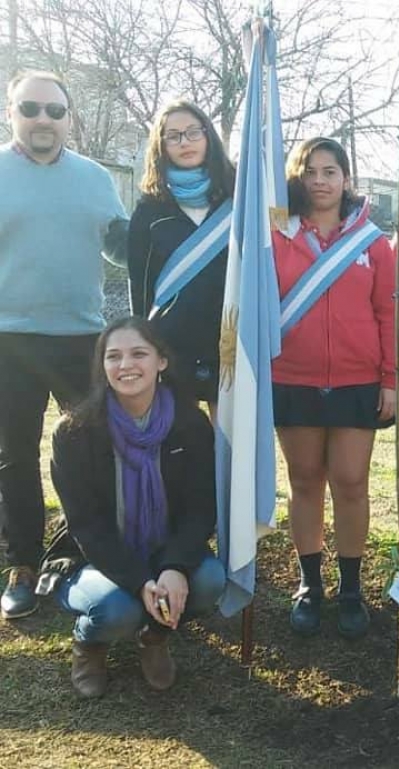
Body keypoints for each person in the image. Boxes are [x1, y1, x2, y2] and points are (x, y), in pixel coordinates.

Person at [0, 70, 128, 620]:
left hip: (81, 339)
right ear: (12, 112)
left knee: (94, 452)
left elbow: (125, 252)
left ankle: (87, 553)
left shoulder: (97, 178)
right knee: (16, 457)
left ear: (70, 117)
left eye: (55, 110)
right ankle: (23, 563)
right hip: (10, 340)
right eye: (31, 108)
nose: (43, 120)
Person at [42, 317, 225, 698]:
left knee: (209, 581)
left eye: (138, 353)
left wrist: (174, 567)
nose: (126, 365)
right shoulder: (74, 432)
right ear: (102, 366)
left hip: (163, 549)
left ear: (161, 361)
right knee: (116, 608)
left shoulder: (190, 423)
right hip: (92, 558)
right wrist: (141, 582)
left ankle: (154, 637)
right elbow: (87, 526)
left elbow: (200, 508)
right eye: (114, 357)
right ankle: (89, 644)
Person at [272, 137, 396, 639]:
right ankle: (309, 584)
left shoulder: (373, 242)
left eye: (331, 171)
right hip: (293, 378)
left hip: (355, 381)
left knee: (350, 481)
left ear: (347, 178)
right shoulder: (275, 236)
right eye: (311, 171)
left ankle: (350, 587)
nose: (320, 181)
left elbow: (389, 313)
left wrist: (389, 380)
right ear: (297, 178)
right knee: (304, 480)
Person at [127, 99, 237, 416]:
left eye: (192, 132)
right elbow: (142, 289)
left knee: (229, 457)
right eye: (173, 136)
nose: (184, 142)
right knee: (181, 451)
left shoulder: (240, 200)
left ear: (208, 136)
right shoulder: (150, 210)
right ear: (161, 146)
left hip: (230, 344)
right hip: (172, 348)